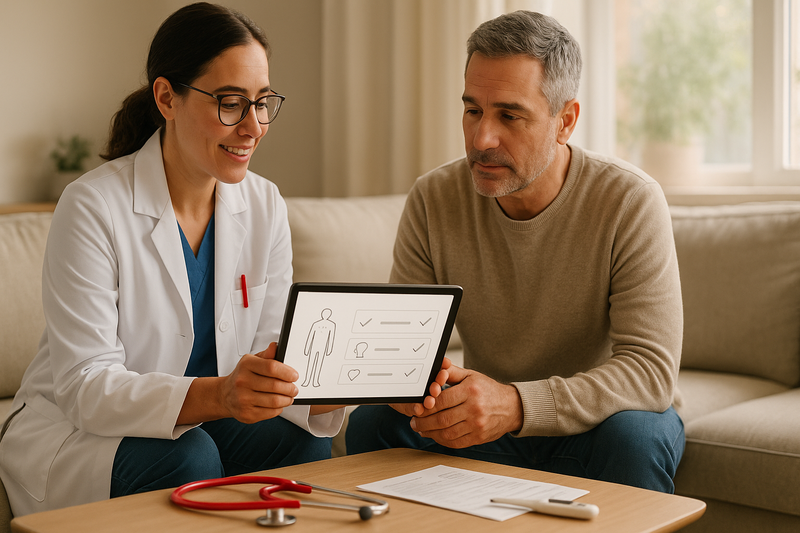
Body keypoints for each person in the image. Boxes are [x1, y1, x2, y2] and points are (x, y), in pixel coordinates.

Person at [0, 2, 345, 516]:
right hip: (84, 429)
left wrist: (324, 384)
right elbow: (86, 387)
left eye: (263, 102)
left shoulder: (265, 203)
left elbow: (266, 350)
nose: (253, 126)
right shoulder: (93, 205)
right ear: (167, 97)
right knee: (188, 456)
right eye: (230, 103)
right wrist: (221, 395)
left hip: (207, 420)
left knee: (303, 447)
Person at [346, 10, 685, 494]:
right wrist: (410, 386)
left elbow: (649, 374)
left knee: (636, 437)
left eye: (509, 115)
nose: (482, 139)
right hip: (484, 426)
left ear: (564, 121)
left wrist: (517, 405)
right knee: (374, 423)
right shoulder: (433, 198)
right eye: (472, 111)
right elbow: (403, 356)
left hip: (598, 425)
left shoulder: (630, 200)